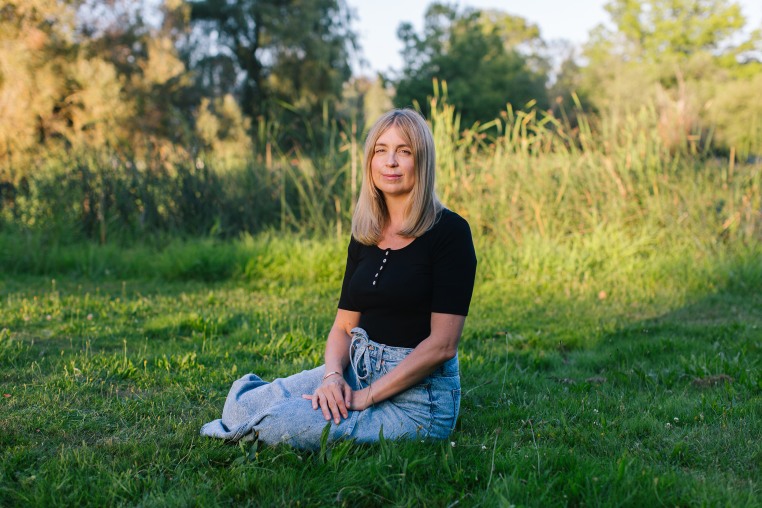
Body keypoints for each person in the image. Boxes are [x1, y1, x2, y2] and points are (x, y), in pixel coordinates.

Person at [200, 109, 477, 449]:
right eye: (381, 150)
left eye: (404, 151)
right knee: (244, 403)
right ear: (370, 160)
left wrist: (364, 398)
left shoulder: (450, 232)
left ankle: (274, 420)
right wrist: (332, 377)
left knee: (280, 424)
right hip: (358, 370)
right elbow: (344, 327)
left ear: (422, 161)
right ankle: (268, 414)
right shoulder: (366, 232)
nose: (390, 161)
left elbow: (441, 346)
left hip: (419, 402)